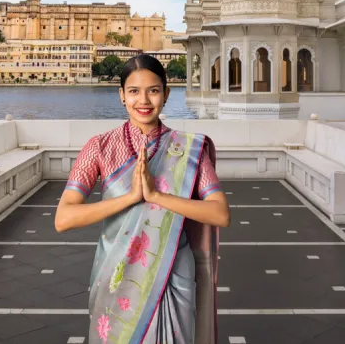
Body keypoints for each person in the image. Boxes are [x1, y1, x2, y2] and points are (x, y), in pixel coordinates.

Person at [55, 54, 230, 344]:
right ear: (122, 95)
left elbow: (220, 213)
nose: (144, 100)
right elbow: (64, 218)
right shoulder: (99, 147)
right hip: (116, 276)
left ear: (166, 93)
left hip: (171, 275)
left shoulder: (188, 150)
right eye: (134, 91)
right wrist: (131, 198)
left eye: (153, 90)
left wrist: (157, 196)